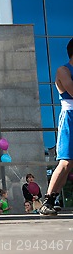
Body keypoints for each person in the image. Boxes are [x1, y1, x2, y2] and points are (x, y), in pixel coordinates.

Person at [39, 39, 73, 215]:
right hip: (70, 117)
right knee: (66, 161)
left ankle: (53, 198)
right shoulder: (63, 70)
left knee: (70, 163)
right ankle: (48, 201)